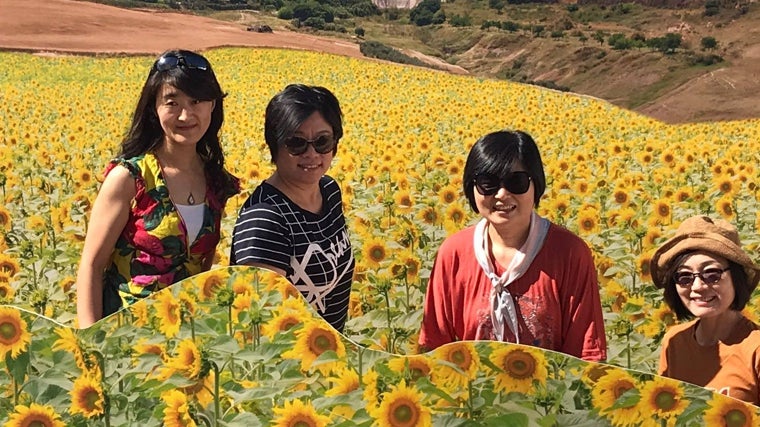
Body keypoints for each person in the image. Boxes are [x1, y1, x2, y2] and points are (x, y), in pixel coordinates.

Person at [76, 49, 240, 328]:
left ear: (212, 105)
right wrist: (90, 344)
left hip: (186, 338)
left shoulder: (216, 182)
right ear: (154, 106)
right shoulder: (130, 179)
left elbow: (202, 269)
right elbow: (91, 267)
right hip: (125, 337)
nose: (185, 115)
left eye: (196, 101)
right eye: (172, 102)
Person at [418, 130, 607, 361]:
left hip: (548, 395)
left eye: (516, 182)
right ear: (472, 188)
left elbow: (586, 354)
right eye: (488, 183)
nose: (502, 194)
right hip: (469, 394)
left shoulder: (569, 253)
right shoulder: (454, 253)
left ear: (535, 185)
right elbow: (434, 347)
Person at [230, 84, 354, 332]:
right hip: (291, 363)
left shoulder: (329, 190)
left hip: (328, 353)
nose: (311, 154)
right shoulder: (265, 219)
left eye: (322, 141)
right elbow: (262, 320)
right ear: (274, 144)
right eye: (296, 143)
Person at [651, 215, 760, 405]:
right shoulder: (674, 342)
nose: (697, 286)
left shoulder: (755, 349)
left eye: (712, 274)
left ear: (736, 277)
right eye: (684, 277)